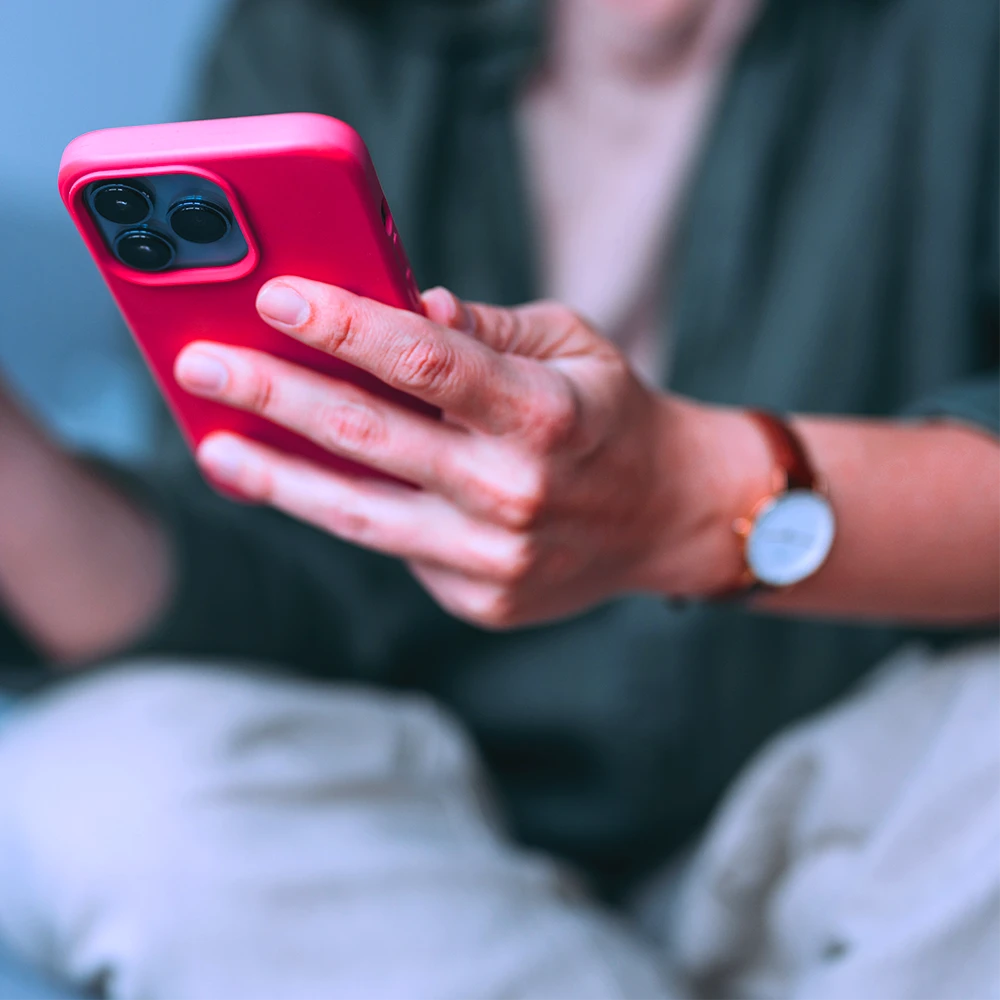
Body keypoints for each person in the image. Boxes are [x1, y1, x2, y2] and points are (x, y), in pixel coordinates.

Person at [0, 0, 999, 996]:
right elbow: (280, 583)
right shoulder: (322, 30)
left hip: (853, 819)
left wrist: (686, 504)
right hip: (434, 862)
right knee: (97, 785)